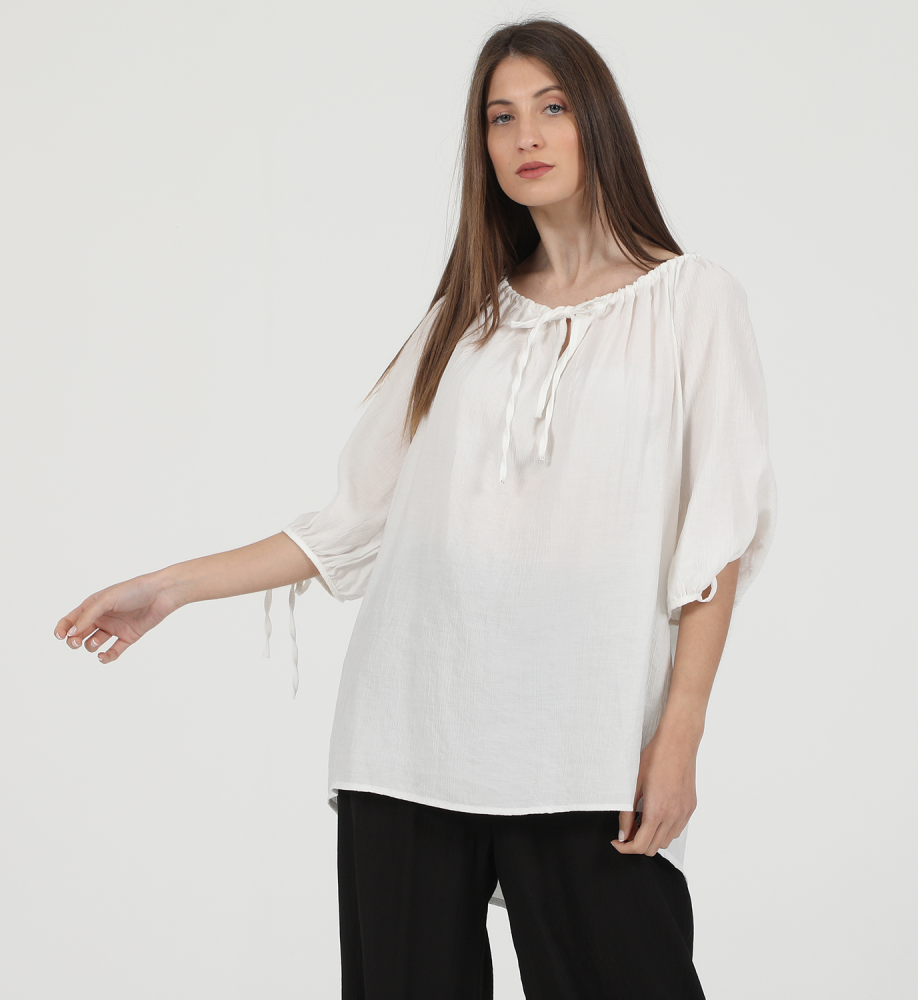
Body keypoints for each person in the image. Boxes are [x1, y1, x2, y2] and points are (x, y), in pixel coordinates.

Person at [53, 17, 776, 1000]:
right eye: (500, 117)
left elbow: (715, 535)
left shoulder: (693, 300)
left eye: (552, 108)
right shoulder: (463, 319)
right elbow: (353, 520)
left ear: (598, 122)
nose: (526, 135)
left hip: (587, 740)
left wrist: (677, 736)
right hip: (409, 739)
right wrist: (172, 587)